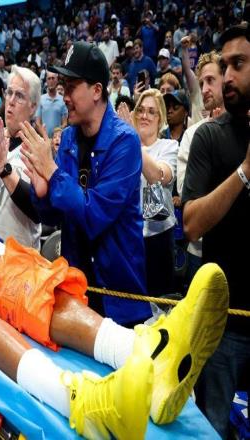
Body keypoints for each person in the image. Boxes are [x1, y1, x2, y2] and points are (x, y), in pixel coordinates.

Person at [0, 16, 227, 439]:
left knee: (40, 284)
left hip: (71, 271)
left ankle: (149, 351)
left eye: (70, 86)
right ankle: (76, 399)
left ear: (96, 91)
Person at [182, 23, 250, 438]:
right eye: (224, 66)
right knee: (212, 429)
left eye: (238, 64)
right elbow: (191, 224)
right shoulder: (209, 137)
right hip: (223, 330)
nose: (227, 76)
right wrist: (245, 171)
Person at [176, 51, 225, 286]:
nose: (205, 89)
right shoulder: (192, 135)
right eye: (202, 82)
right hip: (199, 251)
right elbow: (187, 193)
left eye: (211, 80)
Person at [132, 89, 178, 297]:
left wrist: (131, 139)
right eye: (141, 110)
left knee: (159, 303)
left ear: (161, 119)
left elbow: (158, 177)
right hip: (130, 235)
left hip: (158, 239)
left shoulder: (169, 146)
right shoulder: (125, 145)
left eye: (152, 112)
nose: (144, 116)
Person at [0, 65, 42, 249]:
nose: (10, 101)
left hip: (21, 254)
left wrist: (4, 169)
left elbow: (38, 210)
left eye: (19, 96)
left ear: (33, 107)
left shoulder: (39, 149)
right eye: (9, 93)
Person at [36, 71, 68, 138]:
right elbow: (38, 123)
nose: (51, 81)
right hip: (44, 139)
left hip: (58, 140)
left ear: (57, 80)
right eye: (49, 78)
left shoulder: (63, 100)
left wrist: (56, 135)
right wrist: (45, 137)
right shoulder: (41, 99)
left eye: (53, 78)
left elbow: (64, 123)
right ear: (46, 81)